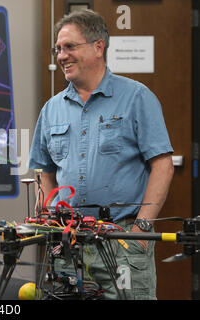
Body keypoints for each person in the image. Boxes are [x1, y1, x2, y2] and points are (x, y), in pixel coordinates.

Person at [28, 9, 174, 300]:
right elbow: (43, 169)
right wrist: (53, 220)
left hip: (121, 240)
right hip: (68, 243)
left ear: (98, 47)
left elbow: (163, 165)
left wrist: (140, 229)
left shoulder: (136, 97)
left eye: (70, 46)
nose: (61, 55)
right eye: (58, 48)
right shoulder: (52, 109)